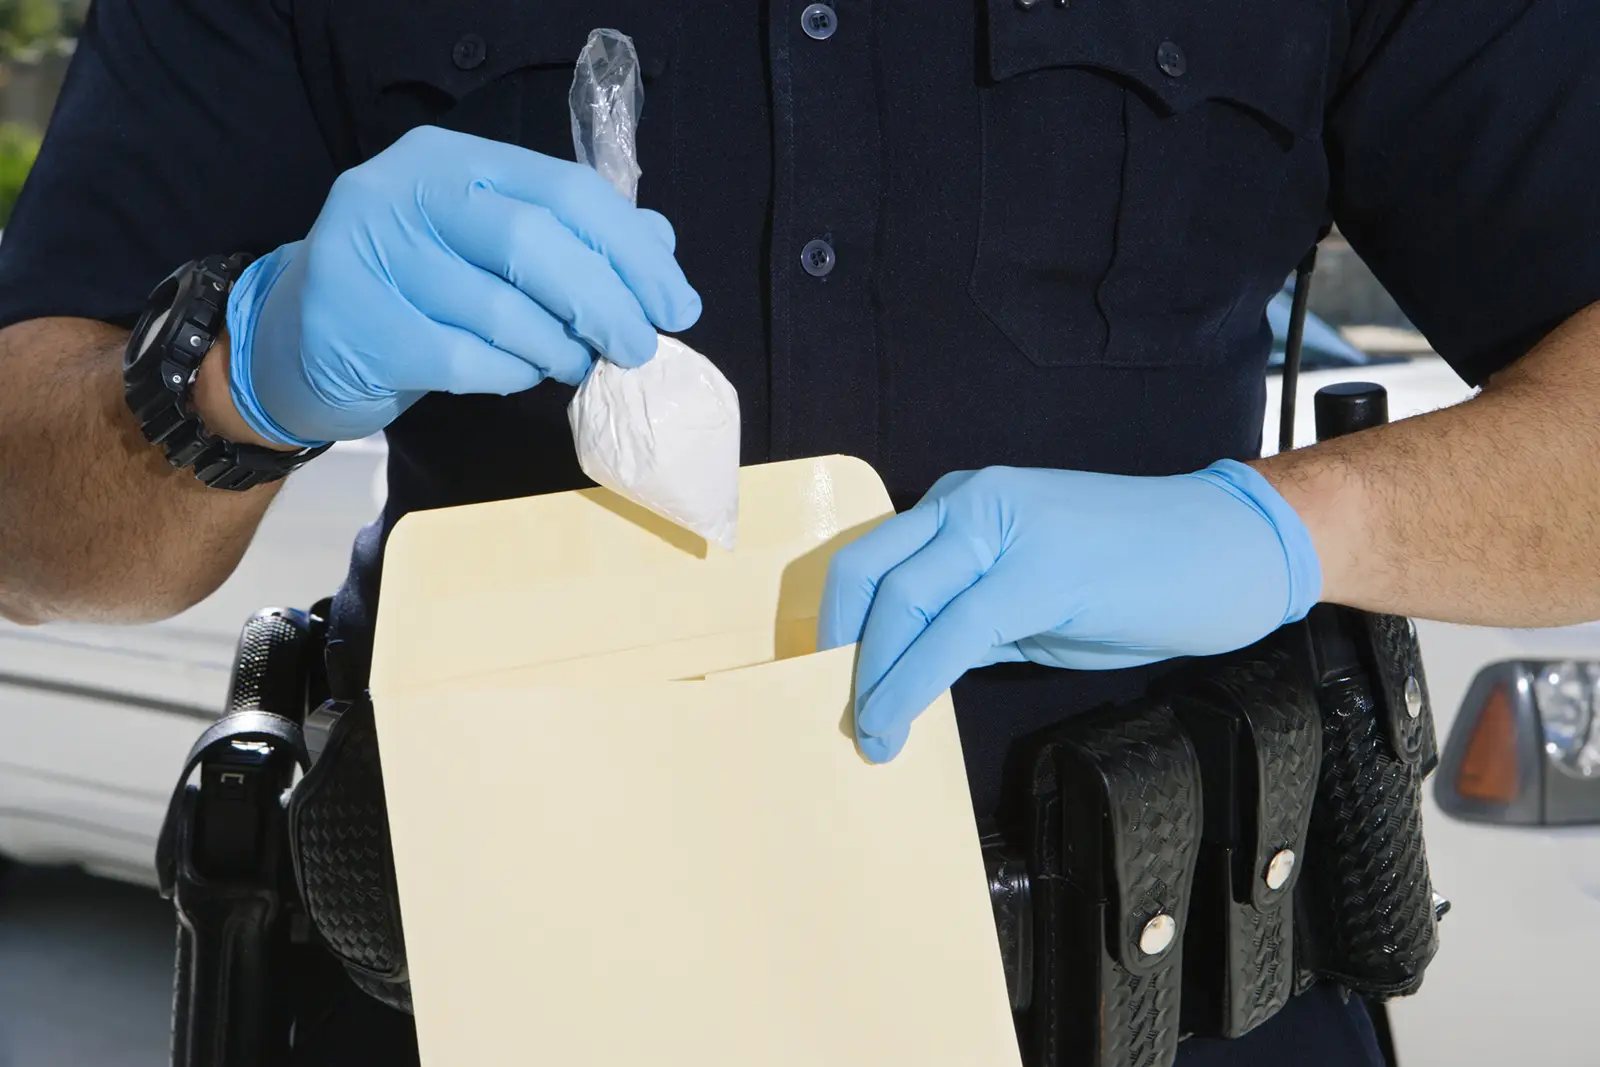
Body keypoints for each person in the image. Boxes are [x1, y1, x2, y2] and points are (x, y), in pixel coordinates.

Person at [1, 0, 1598, 1063]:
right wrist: (244, 362)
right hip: (485, 995)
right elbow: (29, 516)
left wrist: (1280, 526)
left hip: (1161, 990)